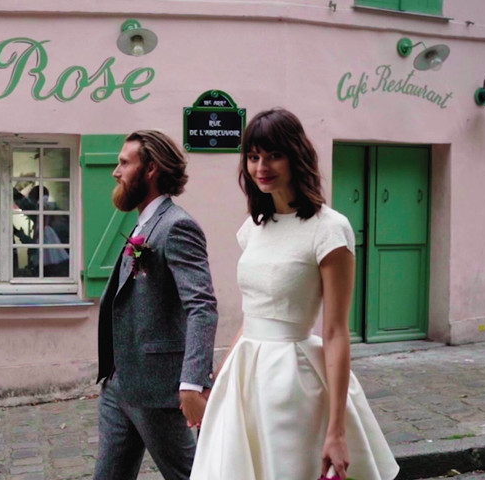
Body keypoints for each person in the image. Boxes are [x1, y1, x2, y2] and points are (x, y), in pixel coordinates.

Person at [190, 108, 399, 480]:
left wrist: (336, 431)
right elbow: (255, 312)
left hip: (294, 382)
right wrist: (219, 378)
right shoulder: (253, 228)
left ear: (296, 155)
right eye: (253, 157)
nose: (261, 167)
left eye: (273, 155)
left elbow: (335, 332)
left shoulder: (330, 230)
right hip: (244, 374)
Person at [95, 130, 218, 480]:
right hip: (119, 383)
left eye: (123, 163)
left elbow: (202, 306)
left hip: (156, 389)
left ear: (150, 169)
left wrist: (193, 382)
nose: (115, 172)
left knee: (191, 475)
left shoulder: (177, 226)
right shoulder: (145, 223)